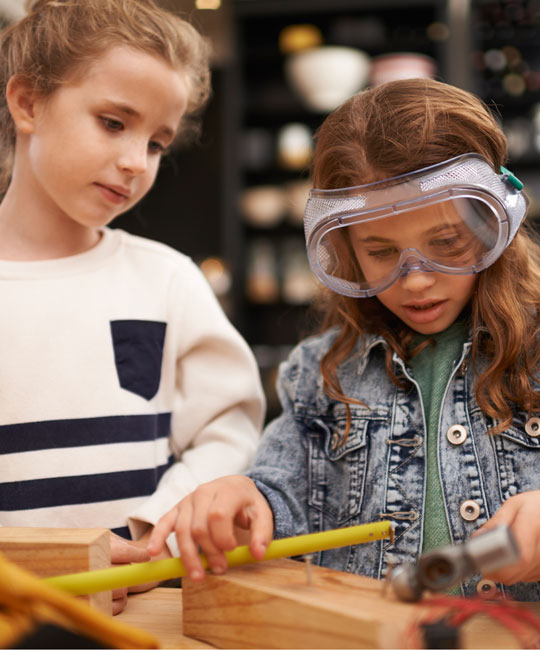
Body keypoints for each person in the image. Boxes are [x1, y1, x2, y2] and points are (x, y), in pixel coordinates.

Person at [149, 78, 540, 601]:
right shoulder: (321, 373)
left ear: (497, 220)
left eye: (446, 242)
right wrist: (247, 499)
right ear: (345, 251)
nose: (416, 278)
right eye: (381, 252)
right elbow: (281, 495)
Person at [0, 0, 265, 614]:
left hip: (138, 616)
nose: (134, 162)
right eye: (114, 123)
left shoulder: (168, 280)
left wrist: (151, 529)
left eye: (156, 143)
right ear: (27, 103)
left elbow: (229, 434)